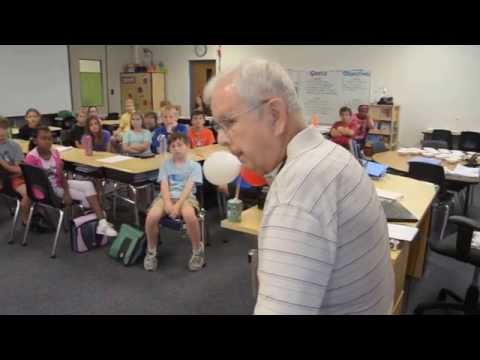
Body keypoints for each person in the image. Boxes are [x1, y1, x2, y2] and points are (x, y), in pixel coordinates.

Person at [204, 58, 394, 315]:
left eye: (230, 122)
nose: (221, 138)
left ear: (275, 115)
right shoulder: (330, 155)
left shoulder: (295, 193)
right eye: (218, 125)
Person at [25, 127, 117, 236]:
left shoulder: (54, 153)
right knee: (87, 197)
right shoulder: (31, 158)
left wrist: (67, 192)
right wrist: (63, 193)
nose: (48, 141)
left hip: (58, 185)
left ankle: (101, 222)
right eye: (44, 138)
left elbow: (61, 176)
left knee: (88, 185)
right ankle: (99, 219)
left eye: (50, 138)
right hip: (47, 192)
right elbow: (36, 184)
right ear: (35, 141)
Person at [143, 132, 204, 272]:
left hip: (186, 197)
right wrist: (169, 203)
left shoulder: (195, 166)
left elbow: (189, 187)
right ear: (169, 149)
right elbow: (164, 186)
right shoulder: (165, 164)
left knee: (189, 216)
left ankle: (197, 250)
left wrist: (177, 205)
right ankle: (151, 251)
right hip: (166, 197)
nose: (176, 148)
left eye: (180, 145)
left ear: (188, 147)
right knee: (151, 216)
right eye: (173, 146)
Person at [0, 116, 30, 224]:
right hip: (3, 179)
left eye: (4, 128)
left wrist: (4, 164)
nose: (1, 131)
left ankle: (26, 219)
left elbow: (19, 170)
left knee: (31, 192)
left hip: (14, 179)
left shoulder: (14, 145)